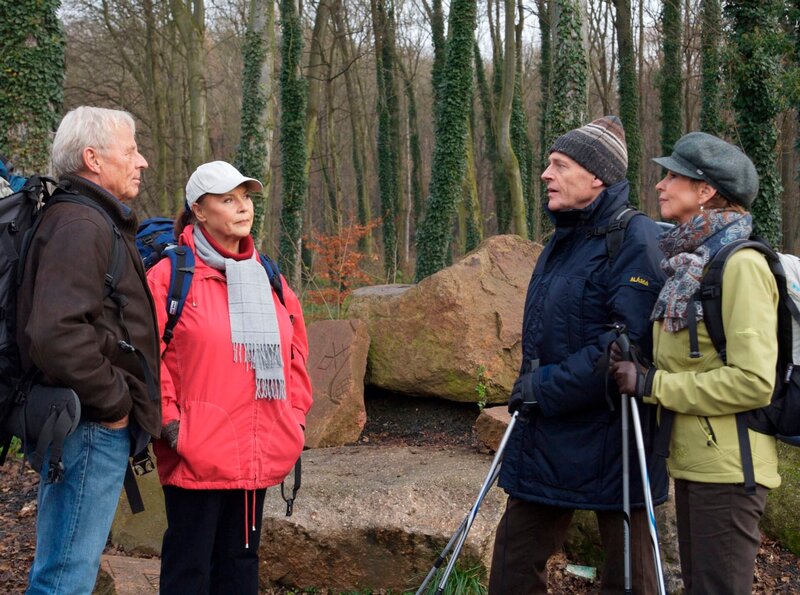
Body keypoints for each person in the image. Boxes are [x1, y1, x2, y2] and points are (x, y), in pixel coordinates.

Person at [488, 116, 668, 594]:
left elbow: (625, 346)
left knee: (630, 576)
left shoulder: (634, 238)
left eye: (559, 165)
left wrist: (542, 387)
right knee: (512, 562)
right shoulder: (560, 243)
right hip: (549, 434)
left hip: (616, 435)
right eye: (548, 163)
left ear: (597, 178)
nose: (545, 174)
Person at [611, 132, 780, 594]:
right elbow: (697, 355)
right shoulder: (690, 263)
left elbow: (753, 381)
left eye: (673, 176)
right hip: (696, 461)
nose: (660, 185)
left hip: (728, 469)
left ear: (706, 192)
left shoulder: (740, 265)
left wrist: (653, 384)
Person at [149, 161, 313, 594]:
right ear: (199, 212)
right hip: (195, 454)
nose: (242, 208)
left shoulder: (269, 276)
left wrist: (294, 418)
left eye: (246, 198)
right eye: (227, 199)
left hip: (255, 453)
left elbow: (296, 352)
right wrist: (171, 425)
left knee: (241, 567)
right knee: (190, 570)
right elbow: (147, 358)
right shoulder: (170, 277)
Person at [16, 106, 160, 594]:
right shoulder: (83, 224)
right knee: (65, 578)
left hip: (84, 420)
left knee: (64, 567)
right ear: (93, 158)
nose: (142, 161)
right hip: (92, 425)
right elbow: (56, 332)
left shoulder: (86, 217)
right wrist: (117, 402)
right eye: (131, 150)